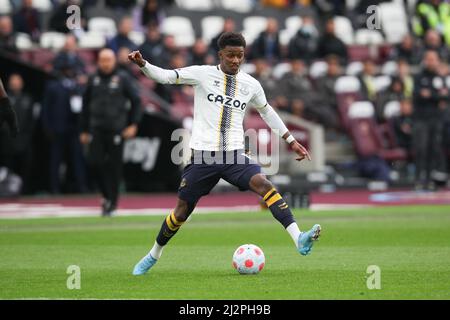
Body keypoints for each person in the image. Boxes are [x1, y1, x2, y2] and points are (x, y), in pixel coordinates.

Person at [128, 32, 321, 276]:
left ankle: (299, 238)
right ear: (220, 54)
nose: (235, 60)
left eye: (240, 55)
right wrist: (144, 65)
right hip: (203, 157)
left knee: (264, 185)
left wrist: (291, 140)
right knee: (181, 212)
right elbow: (166, 77)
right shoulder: (202, 74)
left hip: (234, 155)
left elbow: (267, 112)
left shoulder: (251, 84)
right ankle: (153, 254)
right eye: (230, 55)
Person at [80, 48, 141, 216]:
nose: (105, 63)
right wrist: (83, 129)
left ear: (114, 61)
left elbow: (136, 101)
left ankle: (112, 202)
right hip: (96, 129)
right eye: (102, 60)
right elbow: (84, 105)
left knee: (114, 168)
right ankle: (105, 195)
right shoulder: (93, 79)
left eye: (108, 60)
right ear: (98, 61)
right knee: (94, 163)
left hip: (116, 130)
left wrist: (133, 124)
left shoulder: (123, 78)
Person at [412, 49, 448, 190]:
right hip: (421, 119)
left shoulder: (441, 78)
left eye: (434, 59)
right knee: (421, 149)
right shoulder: (419, 76)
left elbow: (445, 95)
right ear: (425, 60)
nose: (431, 62)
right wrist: (437, 96)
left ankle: (431, 179)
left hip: (436, 119)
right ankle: (419, 179)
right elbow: (418, 95)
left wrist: (430, 95)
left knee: (434, 149)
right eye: (429, 59)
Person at [0, 74, 34, 194]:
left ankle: (25, 192)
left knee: (25, 168)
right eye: (13, 82)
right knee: (8, 168)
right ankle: (6, 191)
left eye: (17, 81)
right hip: (7, 141)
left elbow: (31, 121)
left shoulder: (27, 99)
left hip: (23, 140)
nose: (15, 84)